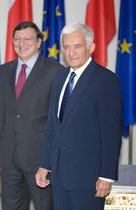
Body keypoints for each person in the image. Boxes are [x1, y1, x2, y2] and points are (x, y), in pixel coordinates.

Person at [35, 23, 122, 210]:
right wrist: (45, 165)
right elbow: (53, 125)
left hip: (89, 179)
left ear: (91, 47)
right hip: (59, 176)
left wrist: (106, 176)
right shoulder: (60, 78)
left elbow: (111, 134)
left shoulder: (106, 80)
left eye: (77, 46)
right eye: (66, 47)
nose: (71, 53)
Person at [0, 21, 63, 210]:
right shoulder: (3, 70)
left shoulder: (55, 71)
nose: (21, 43)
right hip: (9, 155)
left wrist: (50, 158)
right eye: (17, 39)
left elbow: (58, 119)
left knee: (44, 205)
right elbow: (0, 111)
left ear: (39, 42)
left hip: (40, 157)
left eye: (27, 39)